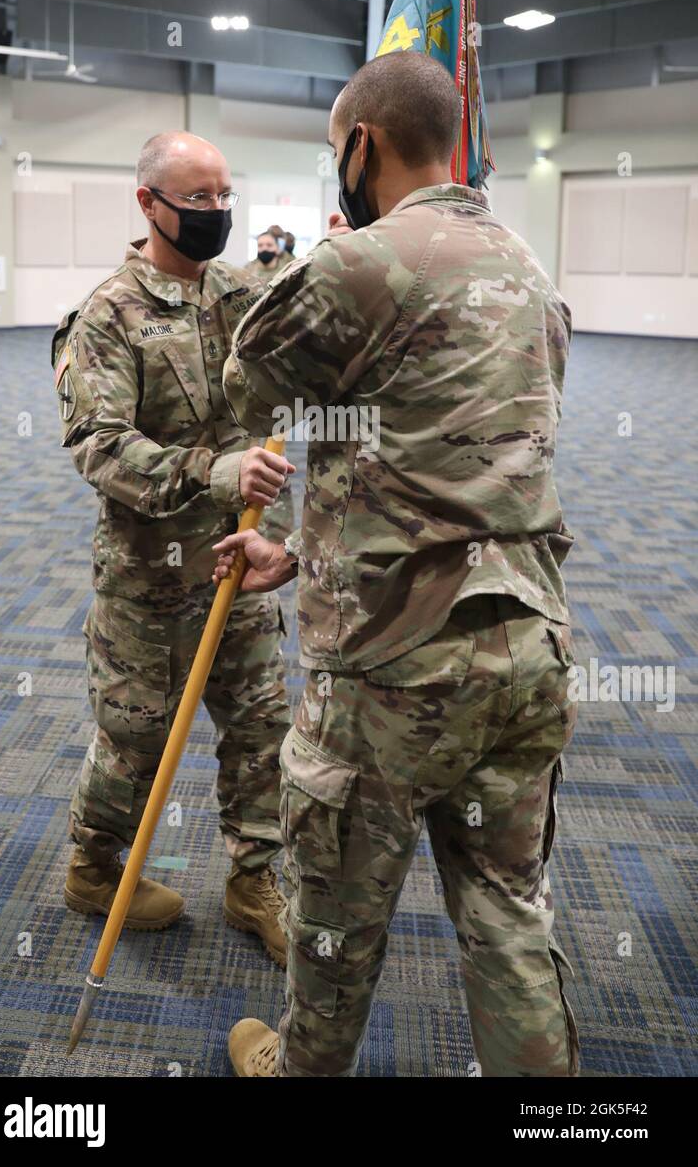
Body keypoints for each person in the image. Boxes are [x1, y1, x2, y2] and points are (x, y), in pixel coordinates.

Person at [212, 52, 579, 1077]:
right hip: (527, 649)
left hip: (390, 673)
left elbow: (249, 391)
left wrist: (323, 260)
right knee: (512, 921)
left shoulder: (355, 262)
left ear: (362, 145)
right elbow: (448, 456)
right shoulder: (529, 270)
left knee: (335, 923)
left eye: (338, 151)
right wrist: (302, 551)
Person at [51, 130, 295, 966]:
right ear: (149, 203)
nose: (218, 213)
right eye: (199, 200)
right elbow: (99, 447)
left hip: (241, 560)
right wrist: (213, 470)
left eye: (226, 197)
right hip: (149, 581)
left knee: (264, 725)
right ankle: (93, 864)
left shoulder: (240, 295)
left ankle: (255, 877)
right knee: (135, 739)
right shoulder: (108, 315)